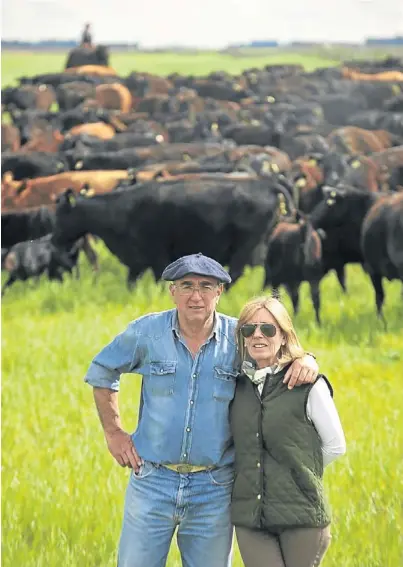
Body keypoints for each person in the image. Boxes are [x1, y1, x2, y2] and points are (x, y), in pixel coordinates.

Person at [83, 253, 319, 567]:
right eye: (187, 286)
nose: (196, 295)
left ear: (219, 292)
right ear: (172, 291)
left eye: (206, 286)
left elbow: (282, 357)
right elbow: (102, 370)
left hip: (214, 489)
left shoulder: (241, 338)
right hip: (153, 482)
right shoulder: (147, 332)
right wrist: (113, 433)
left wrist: (307, 359)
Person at [230, 296, 346, 567]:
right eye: (249, 329)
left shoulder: (308, 384)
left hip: (301, 518)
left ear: (283, 336)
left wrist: (299, 471)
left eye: (268, 329)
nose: (257, 335)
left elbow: (335, 445)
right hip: (251, 519)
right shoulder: (235, 386)